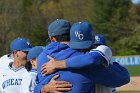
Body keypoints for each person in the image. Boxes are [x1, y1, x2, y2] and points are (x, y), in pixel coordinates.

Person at [41, 21, 130, 93]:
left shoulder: (45, 59)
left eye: (84, 45)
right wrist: (45, 88)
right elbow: (124, 78)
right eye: (78, 46)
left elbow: (91, 59)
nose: (81, 49)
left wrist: (58, 64)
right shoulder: (87, 65)